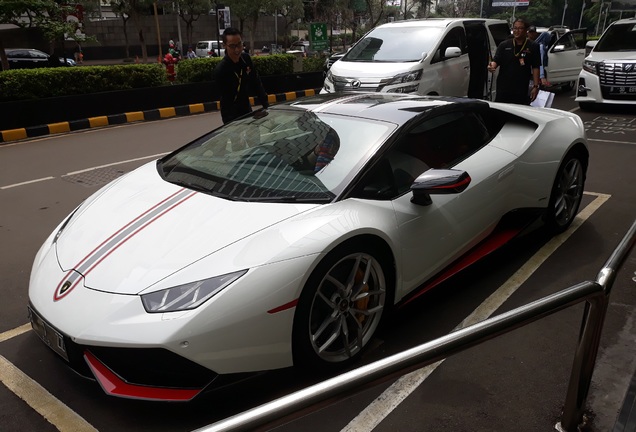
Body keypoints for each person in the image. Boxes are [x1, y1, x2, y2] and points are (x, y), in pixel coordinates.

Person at [213, 27, 269, 124]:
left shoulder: (246, 59)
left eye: (239, 44)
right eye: (232, 46)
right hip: (230, 115)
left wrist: (266, 106)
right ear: (224, 46)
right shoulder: (221, 70)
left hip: (246, 109)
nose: (237, 49)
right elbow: (226, 100)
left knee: (254, 137)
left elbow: (256, 83)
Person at [487, 18, 541, 105]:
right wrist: (491, 66)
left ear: (526, 30)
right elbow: (496, 60)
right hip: (503, 87)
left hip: (521, 87)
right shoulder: (504, 45)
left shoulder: (533, 46)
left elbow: (536, 67)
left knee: (518, 113)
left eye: (520, 28)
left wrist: (535, 86)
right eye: (515, 28)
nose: (517, 31)